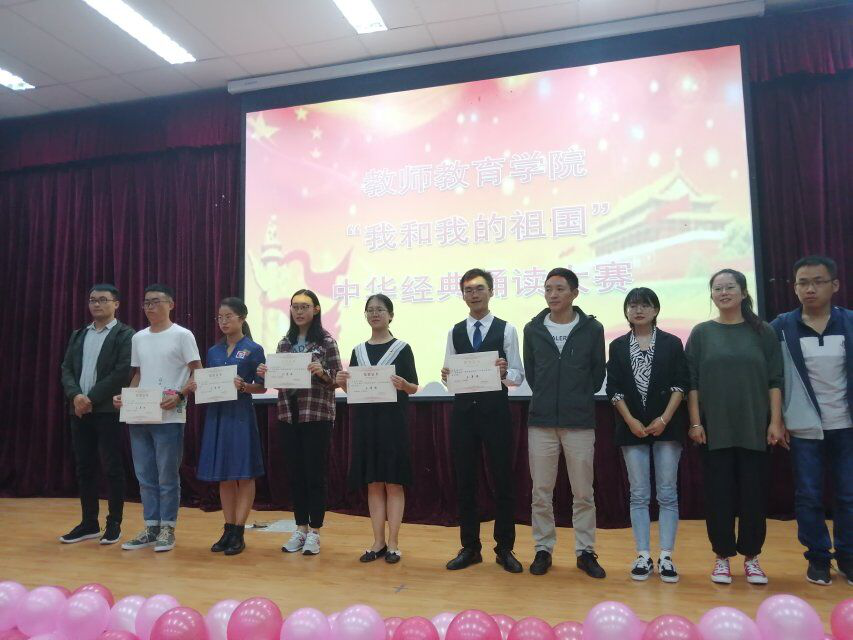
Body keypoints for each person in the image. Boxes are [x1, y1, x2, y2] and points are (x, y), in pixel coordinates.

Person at [686, 269, 784, 584]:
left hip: (755, 427)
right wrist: (695, 422)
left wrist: (776, 422)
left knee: (754, 496)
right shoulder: (702, 333)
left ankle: (752, 558)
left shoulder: (763, 331)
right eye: (718, 288)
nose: (724, 293)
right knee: (719, 497)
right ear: (711, 295)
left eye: (730, 287)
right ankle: (722, 557)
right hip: (714, 429)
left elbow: (775, 380)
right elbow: (692, 383)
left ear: (743, 292)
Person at [771, 255, 851, 586]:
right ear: (794, 288)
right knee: (809, 495)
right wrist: (777, 420)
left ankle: (848, 556)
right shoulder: (781, 326)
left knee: (848, 495)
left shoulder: (849, 323)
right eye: (803, 283)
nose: (810, 289)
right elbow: (773, 379)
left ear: (835, 285)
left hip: (846, 426)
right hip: (804, 428)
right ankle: (818, 557)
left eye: (818, 281)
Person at [522, 267, 606, 578]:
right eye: (548, 289)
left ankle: (585, 551)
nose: (553, 294)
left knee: (583, 492)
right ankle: (543, 548)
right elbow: (533, 373)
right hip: (541, 421)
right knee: (541, 491)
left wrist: (575, 397)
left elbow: (597, 374)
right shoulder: (533, 329)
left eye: (559, 289)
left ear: (574, 293)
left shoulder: (592, 329)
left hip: (579, 421)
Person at [441, 268, 524, 573]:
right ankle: (470, 548)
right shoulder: (454, 331)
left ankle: (505, 549)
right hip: (463, 415)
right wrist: (447, 376)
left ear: (491, 291)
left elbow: (517, 375)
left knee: (503, 480)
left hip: (496, 413)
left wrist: (504, 372)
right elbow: (449, 378)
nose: (473, 294)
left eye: (479, 288)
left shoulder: (507, 329)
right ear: (463, 295)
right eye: (468, 290)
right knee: (466, 481)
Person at [605, 287, 689, 583]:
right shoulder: (617, 345)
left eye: (644, 305)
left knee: (667, 493)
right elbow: (613, 389)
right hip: (632, 428)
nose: (638, 310)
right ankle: (642, 555)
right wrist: (630, 421)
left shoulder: (671, 342)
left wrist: (664, 419)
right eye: (632, 305)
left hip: (667, 427)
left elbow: (681, 384)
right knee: (639, 494)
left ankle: (666, 556)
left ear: (656, 310)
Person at [113, 284, 201, 552]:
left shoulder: (182, 335)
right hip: (140, 414)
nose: (150, 307)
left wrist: (180, 395)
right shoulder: (138, 338)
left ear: (170, 304)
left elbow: (197, 371)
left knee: (166, 475)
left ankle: (167, 528)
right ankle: (151, 526)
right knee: (144, 475)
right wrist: (126, 397)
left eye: (155, 301)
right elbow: (139, 374)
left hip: (169, 415)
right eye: (146, 303)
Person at [258, 289, 342, 556]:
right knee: (295, 475)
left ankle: (315, 531)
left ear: (316, 309)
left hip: (316, 415)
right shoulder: (284, 343)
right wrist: (266, 373)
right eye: (295, 306)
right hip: (288, 415)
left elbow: (338, 380)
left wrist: (323, 373)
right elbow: (279, 381)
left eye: (305, 306)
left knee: (315, 475)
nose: (299, 311)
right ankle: (300, 528)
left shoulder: (326, 342)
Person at [336, 294, 418, 564]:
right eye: (370, 310)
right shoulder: (358, 350)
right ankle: (378, 542)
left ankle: (393, 543)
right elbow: (354, 391)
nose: (375, 314)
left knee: (393, 483)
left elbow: (413, 387)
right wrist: (342, 382)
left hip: (393, 424)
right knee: (373, 483)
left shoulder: (402, 348)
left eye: (380, 309)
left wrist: (403, 384)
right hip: (366, 424)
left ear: (390, 315)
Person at [59, 284, 134, 545]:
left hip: (106, 410)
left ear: (116, 304)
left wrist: (90, 398)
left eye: (103, 300)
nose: (97, 304)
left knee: (112, 467)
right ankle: (89, 523)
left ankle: (114, 524)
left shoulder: (125, 334)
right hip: (79, 410)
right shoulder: (79, 334)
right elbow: (67, 368)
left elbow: (122, 372)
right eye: (92, 300)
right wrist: (76, 396)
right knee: (84, 467)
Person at [192, 297, 266, 556]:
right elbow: (208, 382)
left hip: (241, 415)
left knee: (244, 474)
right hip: (217, 415)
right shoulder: (213, 351)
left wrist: (244, 386)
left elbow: (262, 387)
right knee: (224, 474)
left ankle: (239, 530)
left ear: (242, 318)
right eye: (219, 317)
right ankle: (228, 527)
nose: (223, 322)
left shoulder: (254, 349)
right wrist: (198, 385)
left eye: (228, 317)